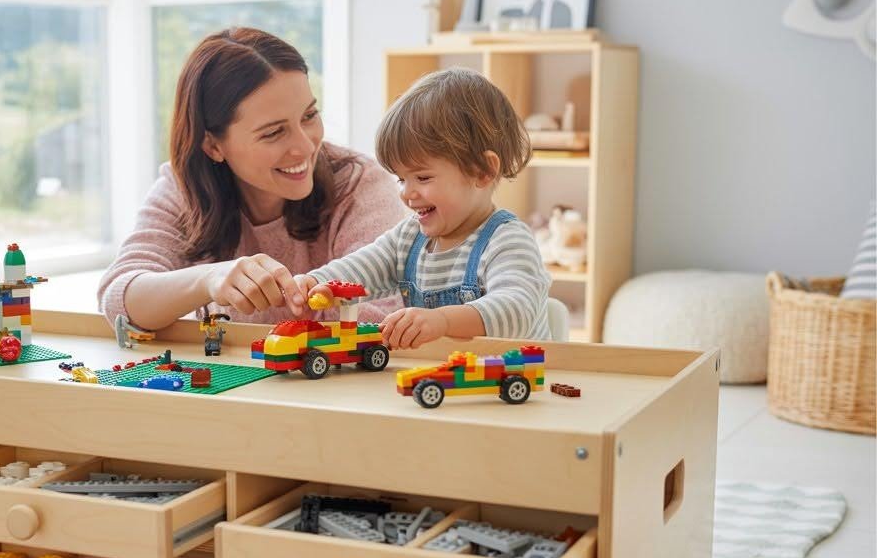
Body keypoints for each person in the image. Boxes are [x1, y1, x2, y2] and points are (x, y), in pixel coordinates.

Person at [97, 27, 408, 330]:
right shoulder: (184, 189)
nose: (305, 145)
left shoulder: (360, 184)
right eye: (273, 132)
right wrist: (209, 279)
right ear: (213, 146)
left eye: (309, 116)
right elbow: (118, 301)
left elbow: (376, 319)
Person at [293, 68, 552, 348]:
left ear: (482, 171)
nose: (407, 193)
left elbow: (516, 309)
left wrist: (443, 321)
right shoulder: (409, 238)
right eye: (401, 179)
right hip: (442, 379)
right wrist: (318, 281)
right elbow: (363, 265)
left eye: (423, 177)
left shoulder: (507, 241)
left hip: (516, 377)